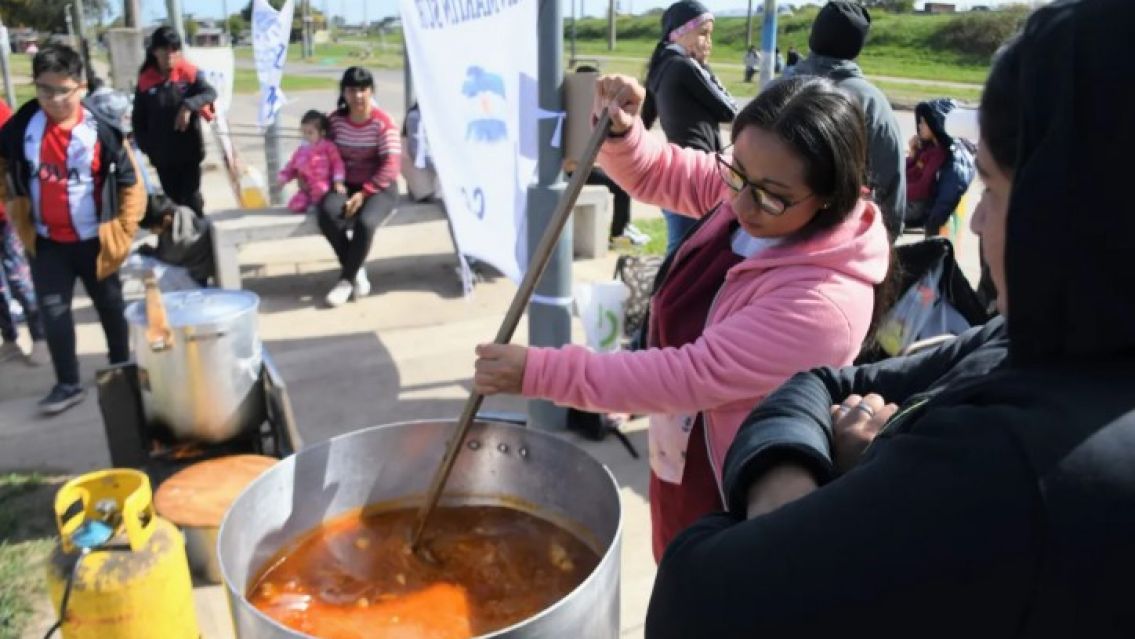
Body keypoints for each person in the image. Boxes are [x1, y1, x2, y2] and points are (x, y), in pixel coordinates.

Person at [644, 2, 1135, 636]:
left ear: (1071, 210)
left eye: (991, 187)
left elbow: (695, 600)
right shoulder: (1031, 342)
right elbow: (822, 384)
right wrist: (791, 477)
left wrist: (845, 478)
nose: (977, 223)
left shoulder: (1001, 471)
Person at [474, 73, 890, 560]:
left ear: (830, 196)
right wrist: (622, 134)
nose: (739, 202)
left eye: (770, 195)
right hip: (681, 446)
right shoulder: (757, 187)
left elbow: (687, 374)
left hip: (732, 482)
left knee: (706, 586)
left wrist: (539, 371)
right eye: (736, 172)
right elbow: (666, 173)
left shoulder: (823, 302)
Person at [0, 44, 145, 415]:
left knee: (111, 307)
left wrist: (123, 233)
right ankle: (67, 384)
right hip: (47, 243)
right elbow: (4, 164)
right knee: (54, 313)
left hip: (97, 242)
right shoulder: (22, 126)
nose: (54, 99)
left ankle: (120, 369)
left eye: (63, 90)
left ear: (81, 87)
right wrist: (13, 206)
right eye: (44, 89)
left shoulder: (102, 130)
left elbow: (131, 184)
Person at [789, 1, 906, 237]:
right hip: (841, 240)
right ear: (857, 47)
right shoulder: (871, 102)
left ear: (813, 36)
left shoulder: (776, 89)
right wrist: (887, 238)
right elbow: (889, 178)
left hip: (768, 233)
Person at [641, 0, 738, 256]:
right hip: (696, 173)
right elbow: (729, 110)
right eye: (703, 34)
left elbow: (645, 119)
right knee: (686, 254)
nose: (709, 43)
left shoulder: (662, 65)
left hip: (676, 169)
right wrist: (704, 67)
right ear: (680, 33)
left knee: (681, 252)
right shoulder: (685, 66)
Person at [318, 66, 400, 307]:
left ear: (372, 91)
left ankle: (345, 281)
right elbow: (321, 153)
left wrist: (364, 194)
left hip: (379, 187)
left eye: (363, 90)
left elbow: (391, 165)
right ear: (343, 92)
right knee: (327, 215)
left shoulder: (383, 122)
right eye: (352, 90)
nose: (358, 96)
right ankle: (356, 269)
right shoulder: (334, 121)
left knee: (365, 223)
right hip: (344, 184)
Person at [132, 26, 217, 217]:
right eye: (165, 49)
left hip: (189, 151)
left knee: (192, 199)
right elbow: (138, 119)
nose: (170, 54)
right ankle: (181, 233)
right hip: (162, 156)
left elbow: (210, 93)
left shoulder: (189, 73)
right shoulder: (146, 80)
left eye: (175, 49)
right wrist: (147, 147)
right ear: (155, 51)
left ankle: (200, 231)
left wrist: (188, 105)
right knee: (173, 202)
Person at [0, 98, 47, 366]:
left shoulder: (1, 111)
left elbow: (12, 152)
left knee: (19, 277)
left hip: (5, 214)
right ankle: (9, 338)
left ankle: (40, 336)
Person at [278, 110, 346, 213]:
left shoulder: (328, 147)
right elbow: (291, 166)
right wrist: (284, 178)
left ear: (322, 133)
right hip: (306, 188)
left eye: (310, 133)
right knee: (295, 205)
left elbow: (337, 164)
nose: (306, 136)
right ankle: (309, 203)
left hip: (324, 185)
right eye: (303, 132)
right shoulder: (301, 150)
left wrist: (338, 182)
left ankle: (317, 205)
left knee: (320, 189)